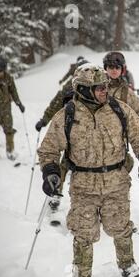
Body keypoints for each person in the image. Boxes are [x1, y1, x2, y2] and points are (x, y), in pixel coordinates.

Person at [37, 64, 139, 277]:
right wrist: (50, 171)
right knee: (83, 234)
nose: (105, 90)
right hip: (83, 186)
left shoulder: (119, 110)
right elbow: (48, 150)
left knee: (121, 228)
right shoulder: (67, 116)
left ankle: (128, 266)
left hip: (116, 183)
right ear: (83, 89)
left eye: (105, 86)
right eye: (99, 88)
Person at [34, 59, 89, 226]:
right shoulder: (67, 90)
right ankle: (54, 198)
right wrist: (44, 121)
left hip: (87, 141)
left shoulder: (93, 91)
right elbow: (54, 106)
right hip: (65, 136)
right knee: (62, 167)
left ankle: (90, 208)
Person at [103, 51, 139, 173]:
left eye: (117, 67)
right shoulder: (96, 88)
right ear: (105, 68)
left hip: (117, 146)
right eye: (110, 67)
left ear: (122, 70)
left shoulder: (126, 92)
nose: (114, 70)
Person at [0, 55, 25, 160]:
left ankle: (10, 151)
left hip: (6, 109)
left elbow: (13, 91)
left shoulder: (8, 78)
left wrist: (19, 104)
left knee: (9, 130)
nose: (0, 73)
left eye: (2, 70)